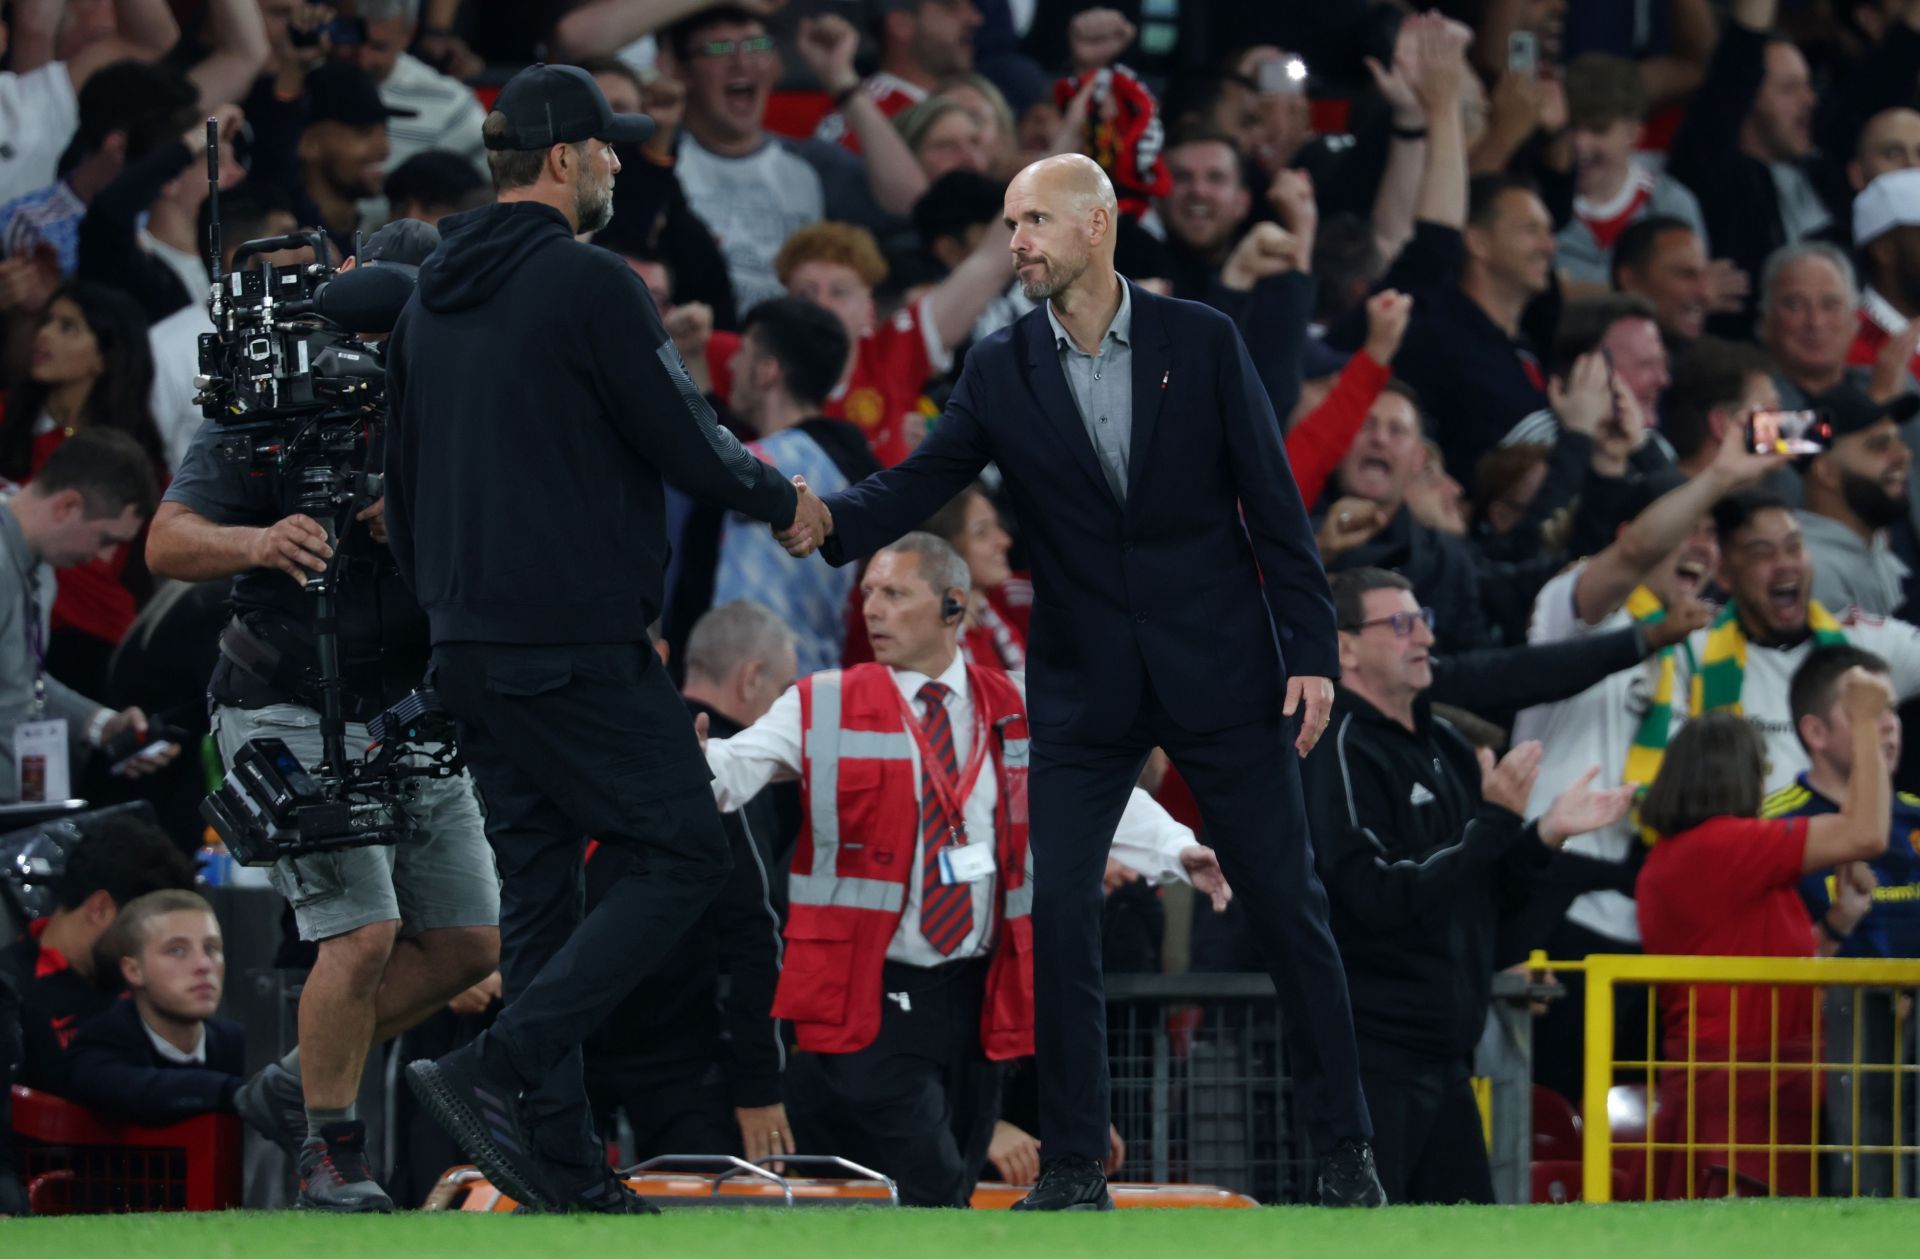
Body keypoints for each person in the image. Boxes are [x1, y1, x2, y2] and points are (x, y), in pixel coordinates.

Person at [782, 153, 1387, 1210]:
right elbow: (930, 476)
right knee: (1054, 910)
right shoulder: (1001, 364)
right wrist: (832, 520)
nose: (1017, 240)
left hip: (1223, 673)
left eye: (1035, 222)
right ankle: (1072, 1164)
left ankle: (1346, 1153)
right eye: (1011, 223)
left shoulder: (1201, 339)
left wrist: (1312, 654)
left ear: (1098, 225)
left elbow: (1273, 505)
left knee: (1292, 906)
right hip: (1081, 687)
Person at [387, 64, 826, 1214]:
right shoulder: (591, 281)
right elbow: (685, 434)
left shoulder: (431, 293)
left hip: (467, 645)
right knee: (687, 847)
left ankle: (566, 1168)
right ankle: (501, 1065)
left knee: (540, 900)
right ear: (566, 158)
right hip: (572, 640)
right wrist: (785, 500)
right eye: (609, 147)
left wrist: (446, 614)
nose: (623, 163)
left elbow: (401, 477)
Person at [146, 218, 501, 1212]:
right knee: (366, 929)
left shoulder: (470, 403)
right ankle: (330, 1152)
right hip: (282, 701)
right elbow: (166, 544)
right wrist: (261, 539)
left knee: (472, 942)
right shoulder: (275, 401)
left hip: (408, 708)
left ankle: (295, 1083)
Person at [702, 533, 1223, 1206]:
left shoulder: (1020, 702)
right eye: (868, 594)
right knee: (938, 1179)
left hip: (983, 986)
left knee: (961, 1170)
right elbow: (732, 769)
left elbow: (1098, 793)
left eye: (895, 593)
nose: (873, 610)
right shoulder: (820, 701)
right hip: (872, 986)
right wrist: (686, 763)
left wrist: (1178, 850)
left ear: (954, 605)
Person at [1302, 568, 1634, 1203]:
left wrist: (1541, 836)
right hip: (1370, 1060)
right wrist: (1495, 823)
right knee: (1360, 1244)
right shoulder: (1333, 747)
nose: (1423, 635)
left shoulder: (1447, 743)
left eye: (1422, 617)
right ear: (1343, 646)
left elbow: (1482, 893)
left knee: (1465, 1235)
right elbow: (1374, 895)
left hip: (1448, 1054)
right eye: (1399, 624)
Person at [1512, 429, 1787, 1101]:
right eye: (1685, 527)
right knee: (1541, 1130)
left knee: (1633, 1144)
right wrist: (1719, 476)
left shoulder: (1707, 656)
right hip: (1550, 918)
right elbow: (1633, 552)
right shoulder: (1575, 612)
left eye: (1709, 534)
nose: (1700, 544)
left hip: (1648, 920)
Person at [1636, 681, 1892, 1198]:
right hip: (1744, 1092)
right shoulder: (1722, 847)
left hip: (1752, 1086)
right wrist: (1866, 721)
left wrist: (1840, 921)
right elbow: (1866, 833)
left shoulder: (1687, 858)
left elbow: (1782, 964)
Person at [584, 601, 795, 1167]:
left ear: (657, 660)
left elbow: (755, 934)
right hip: (576, 1056)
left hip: (674, 1062)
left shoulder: (712, 763)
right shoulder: (529, 751)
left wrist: (757, 1084)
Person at [1766, 645, 1920, 1196]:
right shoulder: (1771, 828)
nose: (1888, 726)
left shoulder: (1918, 816)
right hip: (1814, 1072)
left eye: (1892, 709)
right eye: (1867, 709)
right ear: (1816, 731)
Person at [1, 281, 169, 699]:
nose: (44, 335)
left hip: (94, 647)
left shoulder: (137, 463)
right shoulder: (6, 420)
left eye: (68, 327)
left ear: (103, 357)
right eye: (47, 322)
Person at [1694, 492, 1920, 793]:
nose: (1785, 564)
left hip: (1859, 836)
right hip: (1744, 836)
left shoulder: (1864, 641)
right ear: (1723, 574)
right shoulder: (1695, 652)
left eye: (1794, 547)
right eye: (1763, 554)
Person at [0, 429, 174, 805]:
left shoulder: (40, 566)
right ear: (68, 506)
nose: (105, 558)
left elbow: (21, 678)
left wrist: (102, 726)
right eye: (106, 539)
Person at [706, 296, 865, 672]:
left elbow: (685, 457)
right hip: (813, 688)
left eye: (742, 351)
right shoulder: (845, 463)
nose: (729, 362)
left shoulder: (773, 460)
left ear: (766, 372)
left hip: (754, 692)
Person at [0, 810, 196, 1094]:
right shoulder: (11, 996)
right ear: (100, 909)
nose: (148, 951)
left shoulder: (146, 991)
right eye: (143, 933)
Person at [64, 889, 246, 1128]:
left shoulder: (238, 1042)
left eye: (211, 948)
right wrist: (238, 1091)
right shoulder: (98, 1043)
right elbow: (135, 1089)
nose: (203, 964)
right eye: (177, 950)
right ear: (133, 971)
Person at [1556, 52, 1706, 287]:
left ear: (1632, 134)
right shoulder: (1537, 207)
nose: (1580, 143)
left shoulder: (1671, 206)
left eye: (1598, 129)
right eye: (1572, 127)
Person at [1795, 385, 1917, 617]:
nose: (1904, 454)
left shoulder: (1872, 545)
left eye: (1897, 440)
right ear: (1827, 473)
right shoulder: (1810, 568)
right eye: (1880, 445)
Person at [812, 0, 983, 151]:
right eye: (950, 4)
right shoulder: (868, 109)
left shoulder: (977, 103)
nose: (975, 18)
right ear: (901, 24)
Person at [297, 62, 415, 259]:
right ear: (310, 144)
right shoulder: (289, 245)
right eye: (363, 132)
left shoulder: (379, 241)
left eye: (384, 131)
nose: (385, 148)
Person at [922, 482, 1027, 673]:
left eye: (998, 526)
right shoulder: (934, 646)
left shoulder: (993, 623)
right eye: (982, 533)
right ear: (946, 551)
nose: (1004, 541)